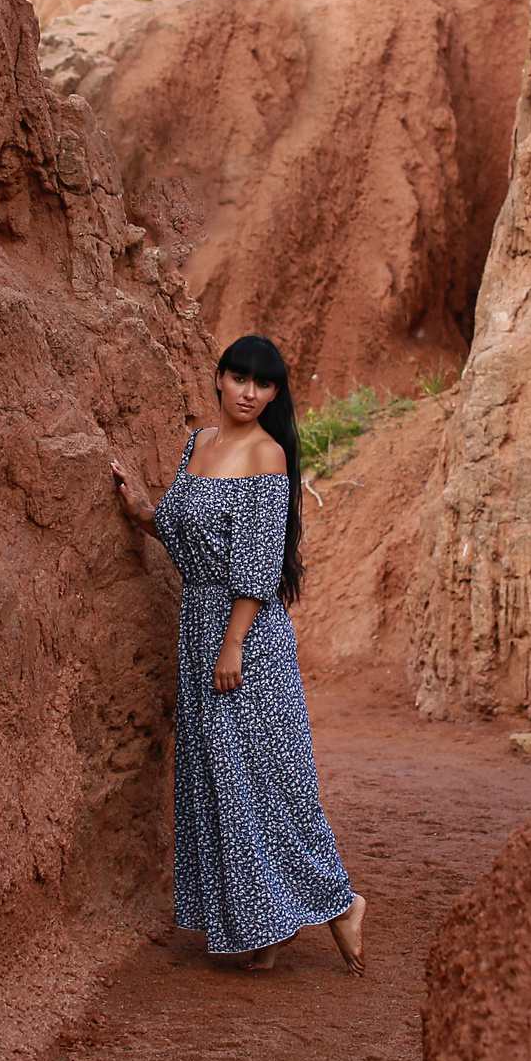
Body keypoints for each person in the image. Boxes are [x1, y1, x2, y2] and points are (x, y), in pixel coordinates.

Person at [111, 335, 369, 974]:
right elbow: (180, 530)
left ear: (275, 393)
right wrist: (143, 510)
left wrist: (233, 643)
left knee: (269, 781)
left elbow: (259, 561)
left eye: (265, 384)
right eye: (240, 378)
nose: (250, 393)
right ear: (219, 379)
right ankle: (263, 927)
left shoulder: (269, 456)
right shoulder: (199, 443)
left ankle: (338, 903)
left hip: (246, 638)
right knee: (218, 781)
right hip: (199, 626)